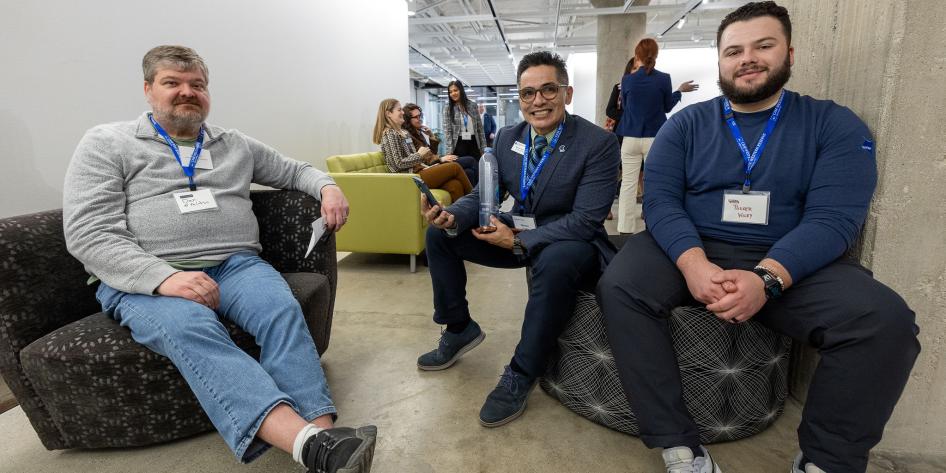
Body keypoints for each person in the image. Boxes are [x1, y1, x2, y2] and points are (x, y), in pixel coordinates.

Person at [596, 3, 920, 473]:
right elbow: (662, 202)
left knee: (885, 321)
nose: (747, 58)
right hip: (691, 244)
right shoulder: (684, 125)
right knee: (621, 286)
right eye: (734, 51)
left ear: (790, 53)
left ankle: (826, 460)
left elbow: (834, 218)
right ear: (720, 62)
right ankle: (679, 444)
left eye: (763, 46)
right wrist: (693, 264)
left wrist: (767, 279)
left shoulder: (833, 124)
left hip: (790, 255)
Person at [62, 45, 377, 473]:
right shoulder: (107, 142)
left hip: (235, 265)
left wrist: (328, 187)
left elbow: (295, 170)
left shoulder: (233, 143)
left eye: (197, 84)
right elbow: (89, 231)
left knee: (280, 309)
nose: (187, 92)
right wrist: (162, 277)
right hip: (145, 278)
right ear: (148, 89)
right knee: (192, 326)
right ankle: (314, 447)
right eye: (172, 82)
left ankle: (323, 440)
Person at [417, 51, 620, 428]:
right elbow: (485, 196)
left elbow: (585, 220)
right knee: (440, 235)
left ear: (567, 93)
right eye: (528, 93)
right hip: (519, 227)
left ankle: (522, 372)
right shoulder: (508, 138)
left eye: (548, 90)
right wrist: (453, 215)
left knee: (555, 262)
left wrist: (517, 241)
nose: (538, 101)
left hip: (572, 241)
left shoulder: (597, 144)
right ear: (520, 98)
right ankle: (459, 328)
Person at [615, 38, 698, 234]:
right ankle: (653, 226)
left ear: (637, 56)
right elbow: (667, 107)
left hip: (630, 137)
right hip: (655, 138)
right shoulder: (663, 78)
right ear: (656, 55)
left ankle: (625, 229)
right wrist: (679, 91)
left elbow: (625, 107)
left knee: (628, 184)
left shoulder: (627, 80)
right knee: (653, 185)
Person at [374, 99, 472, 203]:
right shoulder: (389, 134)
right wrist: (419, 155)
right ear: (388, 114)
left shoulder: (402, 133)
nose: (402, 112)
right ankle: (474, 202)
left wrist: (423, 158)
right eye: (399, 110)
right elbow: (397, 164)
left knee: (455, 185)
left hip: (419, 171)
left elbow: (418, 157)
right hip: (409, 178)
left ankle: (459, 213)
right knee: (455, 167)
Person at [402, 102, 476, 187]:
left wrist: (431, 136)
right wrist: (441, 159)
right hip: (430, 166)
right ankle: (477, 193)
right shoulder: (408, 136)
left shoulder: (418, 132)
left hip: (434, 162)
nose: (420, 119)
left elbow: (432, 152)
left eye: (420, 116)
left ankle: (474, 193)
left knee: (469, 172)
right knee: (471, 160)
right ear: (408, 120)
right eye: (416, 117)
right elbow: (424, 157)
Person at [442, 80, 486, 175]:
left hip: (474, 143)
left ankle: (476, 185)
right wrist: (449, 152)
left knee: (477, 170)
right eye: (450, 92)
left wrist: (483, 148)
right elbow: (447, 131)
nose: (453, 93)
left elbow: (480, 129)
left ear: (461, 90)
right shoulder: (448, 108)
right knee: (464, 172)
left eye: (455, 90)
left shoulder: (472, 105)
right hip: (458, 144)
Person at [604, 57, 638, 145]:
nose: (638, 71)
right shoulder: (619, 88)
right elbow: (609, 111)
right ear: (629, 70)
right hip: (620, 135)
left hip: (640, 135)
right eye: (635, 68)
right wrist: (630, 115)